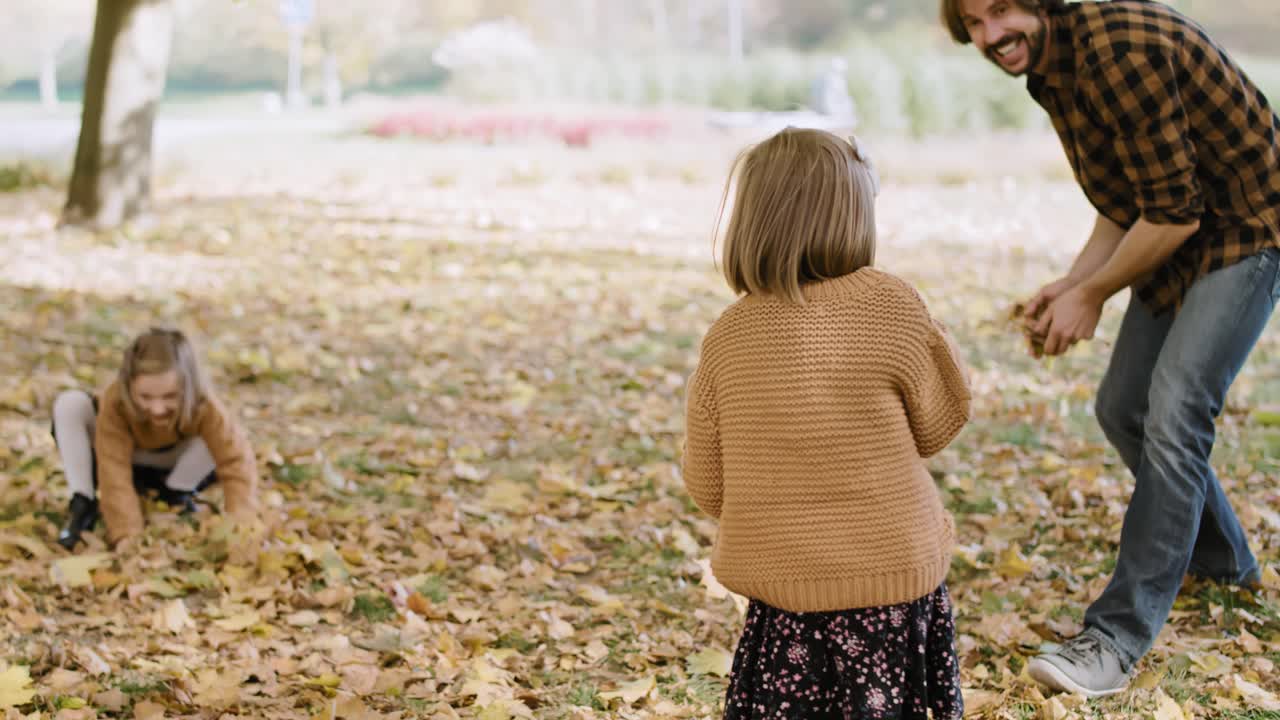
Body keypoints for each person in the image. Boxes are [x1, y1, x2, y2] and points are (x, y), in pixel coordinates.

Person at [941, 0, 1280, 697]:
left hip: (1247, 229)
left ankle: (1115, 640)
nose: (991, 36)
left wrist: (1091, 297)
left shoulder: (1115, 51)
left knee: (1177, 408)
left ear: (1038, 3)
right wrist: (1072, 282)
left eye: (1002, 11)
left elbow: (1173, 213)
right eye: (973, 24)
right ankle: (1221, 561)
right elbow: (1128, 201)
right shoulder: (1052, 69)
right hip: (1183, 225)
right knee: (1122, 405)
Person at [682, 127, 971, 719]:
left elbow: (710, 488)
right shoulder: (891, 304)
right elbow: (941, 422)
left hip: (784, 604)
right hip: (894, 587)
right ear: (854, 217)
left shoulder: (728, 337)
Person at [52, 327, 259, 549]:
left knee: (226, 438)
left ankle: (177, 493)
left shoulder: (205, 404)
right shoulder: (115, 402)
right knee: (70, 404)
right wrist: (126, 536)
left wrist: (240, 525)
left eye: (170, 396)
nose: (157, 409)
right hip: (127, 461)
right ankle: (83, 503)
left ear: (188, 386)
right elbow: (113, 469)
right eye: (145, 397)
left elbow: (235, 462)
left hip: (175, 462)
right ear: (128, 387)